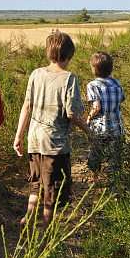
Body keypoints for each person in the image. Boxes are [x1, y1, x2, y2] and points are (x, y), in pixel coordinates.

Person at [13, 31, 92, 226]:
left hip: (34, 140)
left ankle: (29, 217)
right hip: (54, 144)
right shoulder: (69, 78)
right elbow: (72, 114)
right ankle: (48, 233)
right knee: (53, 192)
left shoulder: (36, 73)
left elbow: (26, 106)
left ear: (49, 53)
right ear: (69, 55)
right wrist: (88, 131)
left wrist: (19, 136)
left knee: (36, 185)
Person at [86, 51, 125, 184]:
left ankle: (94, 181)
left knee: (96, 155)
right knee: (114, 159)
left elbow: (96, 107)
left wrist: (88, 119)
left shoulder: (92, 85)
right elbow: (121, 101)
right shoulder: (117, 83)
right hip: (116, 127)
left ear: (94, 69)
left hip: (100, 129)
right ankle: (114, 186)